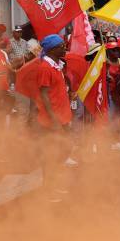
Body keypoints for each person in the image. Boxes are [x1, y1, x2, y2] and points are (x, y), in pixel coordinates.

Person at [35, 34, 73, 202]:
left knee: (65, 149)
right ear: (52, 49)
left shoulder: (57, 65)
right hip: (52, 120)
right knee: (51, 154)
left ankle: (52, 183)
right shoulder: (45, 67)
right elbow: (43, 94)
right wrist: (54, 119)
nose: (65, 47)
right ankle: (48, 189)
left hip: (62, 117)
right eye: (62, 46)